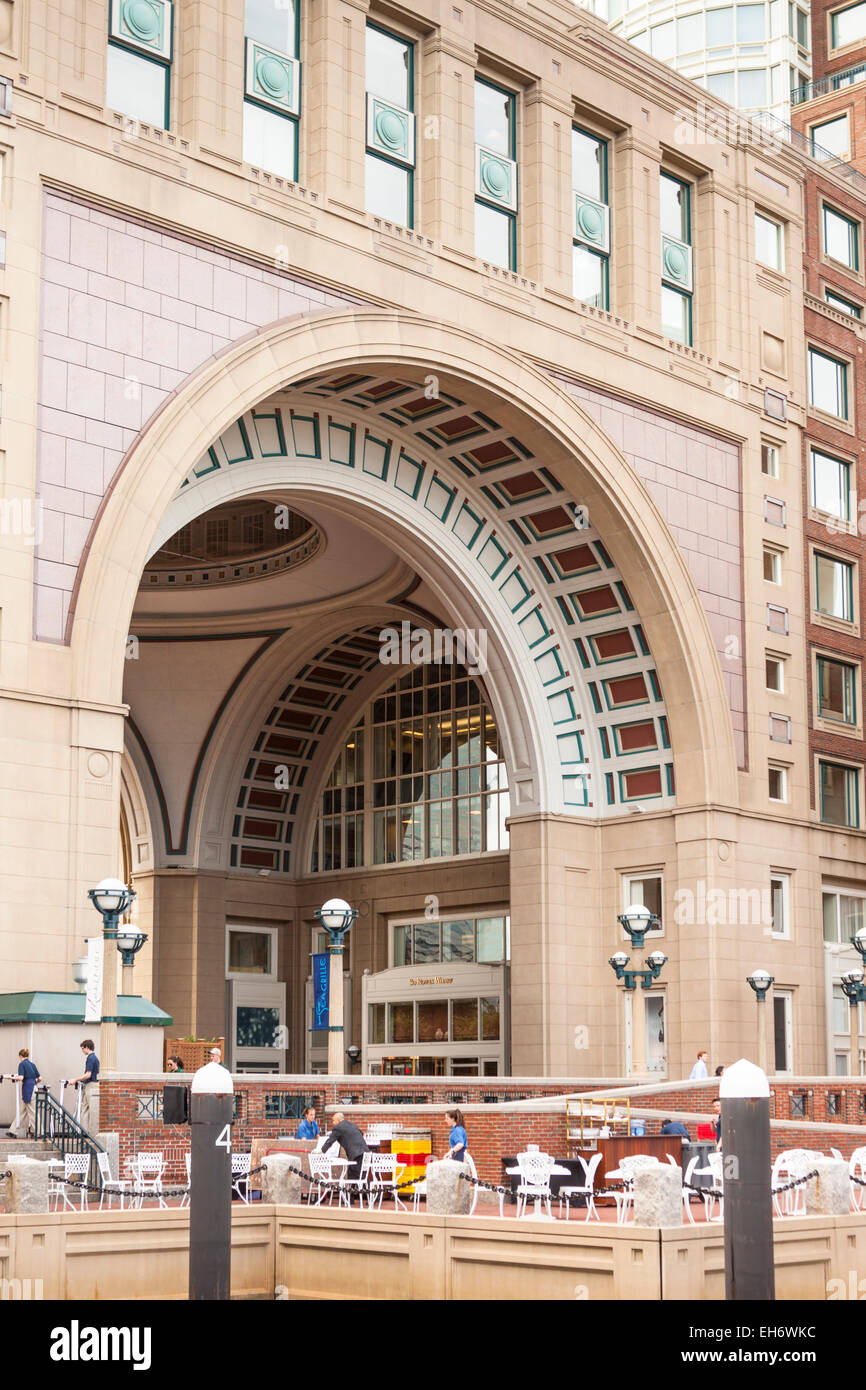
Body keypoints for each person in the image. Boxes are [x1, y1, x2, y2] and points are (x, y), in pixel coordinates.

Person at [322, 1111, 369, 1202]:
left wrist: (321, 1151)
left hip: (356, 1153)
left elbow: (330, 1141)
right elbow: (361, 1134)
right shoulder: (352, 1125)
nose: (333, 1123)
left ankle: (374, 1196)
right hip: (365, 1151)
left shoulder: (338, 1128)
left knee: (361, 1176)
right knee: (352, 1174)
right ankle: (349, 1197)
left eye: (334, 1121)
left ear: (339, 1120)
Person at [71, 1039, 99, 1130]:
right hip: (93, 1084)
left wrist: (75, 1079)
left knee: (87, 1109)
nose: (82, 1051)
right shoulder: (95, 1058)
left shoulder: (90, 1058)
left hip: (91, 1085)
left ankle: (87, 1132)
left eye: (83, 1048)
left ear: (87, 1047)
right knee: (87, 1109)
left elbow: (88, 1074)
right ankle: (87, 1131)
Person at [12, 1049, 41, 1138]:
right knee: (22, 1111)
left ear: (20, 1056)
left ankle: (39, 1132)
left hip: (28, 1089)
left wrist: (10, 1077)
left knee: (32, 1112)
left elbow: (21, 1077)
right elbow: (40, 1078)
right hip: (34, 1087)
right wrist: (33, 1081)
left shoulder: (22, 1064)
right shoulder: (32, 1064)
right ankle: (13, 1131)